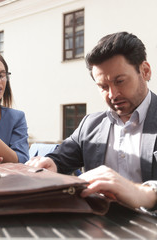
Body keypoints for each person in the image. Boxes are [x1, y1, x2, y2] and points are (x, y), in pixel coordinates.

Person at [26, 32, 157, 212]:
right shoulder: (91, 125)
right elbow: (61, 158)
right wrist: (51, 163)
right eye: (103, 87)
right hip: (96, 225)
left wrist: (142, 193)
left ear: (145, 71)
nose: (112, 95)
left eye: (120, 81)